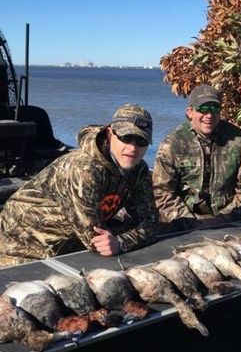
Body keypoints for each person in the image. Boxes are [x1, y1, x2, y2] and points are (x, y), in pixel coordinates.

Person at [0, 103, 159, 266]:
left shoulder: (138, 170)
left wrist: (122, 241)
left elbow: (151, 222)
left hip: (67, 244)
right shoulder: (82, 169)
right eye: (126, 138)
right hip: (22, 247)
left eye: (141, 140)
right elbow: (96, 241)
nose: (133, 147)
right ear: (110, 134)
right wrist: (123, 238)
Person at [152, 84, 241, 231]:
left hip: (231, 220)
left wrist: (224, 219)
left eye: (214, 109)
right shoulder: (171, 144)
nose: (209, 115)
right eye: (203, 109)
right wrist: (190, 222)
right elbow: (162, 192)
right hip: (183, 222)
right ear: (190, 112)